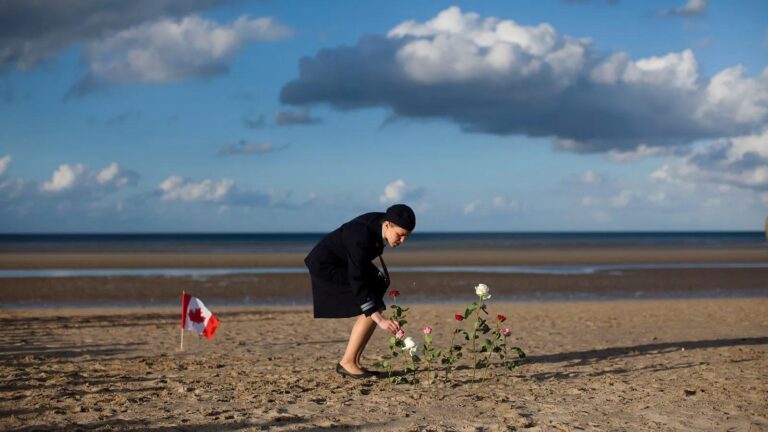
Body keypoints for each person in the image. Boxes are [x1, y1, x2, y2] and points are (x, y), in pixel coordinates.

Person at [305, 204, 416, 378]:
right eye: (400, 235)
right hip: (327, 265)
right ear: (387, 225)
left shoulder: (383, 221)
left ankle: (353, 362)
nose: (402, 241)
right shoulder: (360, 236)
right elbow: (357, 280)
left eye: (406, 237)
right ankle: (347, 362)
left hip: (345, 260)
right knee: (371, 304)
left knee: (374, 298)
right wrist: (379, 319)